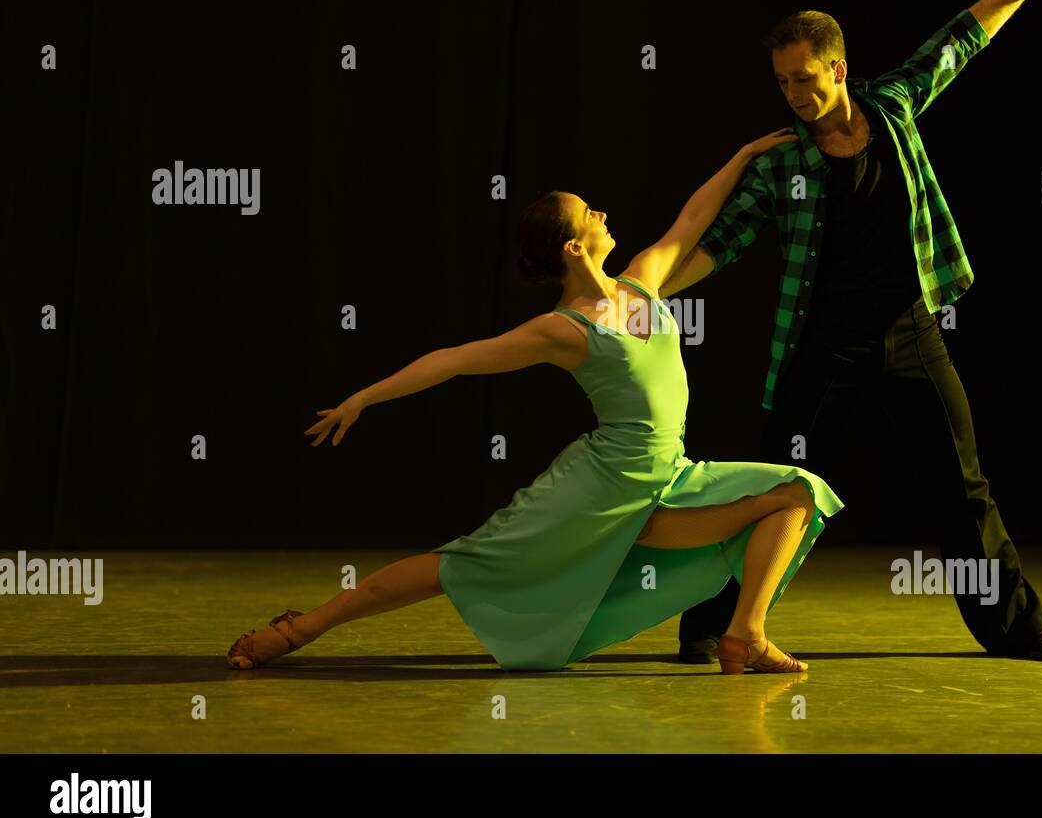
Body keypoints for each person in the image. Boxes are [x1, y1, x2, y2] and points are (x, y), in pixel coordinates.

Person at [226, 127, 846, 675]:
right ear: (574, 247)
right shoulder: (562, 329)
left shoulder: (643, 282)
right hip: (600, 488)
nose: (602, 213)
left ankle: (745, 634)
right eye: (588, 214)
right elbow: (454, 359)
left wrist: (743, 155)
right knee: (461, 564)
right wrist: (364, 396)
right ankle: (300, 629)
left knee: (798, 493)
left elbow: (692, 218)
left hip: (669, 479)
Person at [665, 0, 1042, 665]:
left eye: (805, 78)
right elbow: (723, 242)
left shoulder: (893, 107)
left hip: (910, 332)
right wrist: (643, 293)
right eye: (782, 82)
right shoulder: (782, 160)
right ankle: (709, 625)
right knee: (775, 487)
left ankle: (1018, 628)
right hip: (823, 344)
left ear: (837, 68)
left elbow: (959, 41)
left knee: (965, 485)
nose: (794, 93)